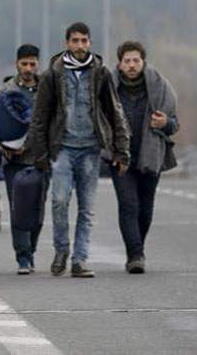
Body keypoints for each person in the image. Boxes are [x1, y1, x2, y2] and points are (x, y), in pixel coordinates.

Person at [26, 23, 130, 278]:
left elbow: (115, 112)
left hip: (91, 149)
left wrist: (121, 149)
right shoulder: (53, 74)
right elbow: (40, 116)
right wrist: (39, 155)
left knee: (87, 207)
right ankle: (61, 249)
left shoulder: (101, 73)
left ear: (90, 43)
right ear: (67, 43)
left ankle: (79, 259)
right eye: (75, 41)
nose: (80, 46)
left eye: (84, 41)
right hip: (62, 148)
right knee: (60, 201)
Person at [112, 40, 179, 274]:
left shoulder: (161, 88)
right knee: (128, 204)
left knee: (145, 207)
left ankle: (137, 245)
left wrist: (165, 123)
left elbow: (174, 124)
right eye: (127, 61)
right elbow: (98, 120)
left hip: (151, 156)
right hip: (120, 157)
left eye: (135, 61)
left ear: (143, 62)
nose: (131, 65)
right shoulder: (109, 89)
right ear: (119, 65)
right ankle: (135, 254)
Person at [0, 45, 45, 274]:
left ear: (38, 64)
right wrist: (2, 146)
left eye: (32, 64)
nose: (28, 68)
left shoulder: (46, 90)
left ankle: (31, 249)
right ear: (17, 64)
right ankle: (23, 257)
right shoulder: (5, 91)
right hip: (14, 163)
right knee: (19, 209)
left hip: (40, 160)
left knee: (37, 211)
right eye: (24, 64)